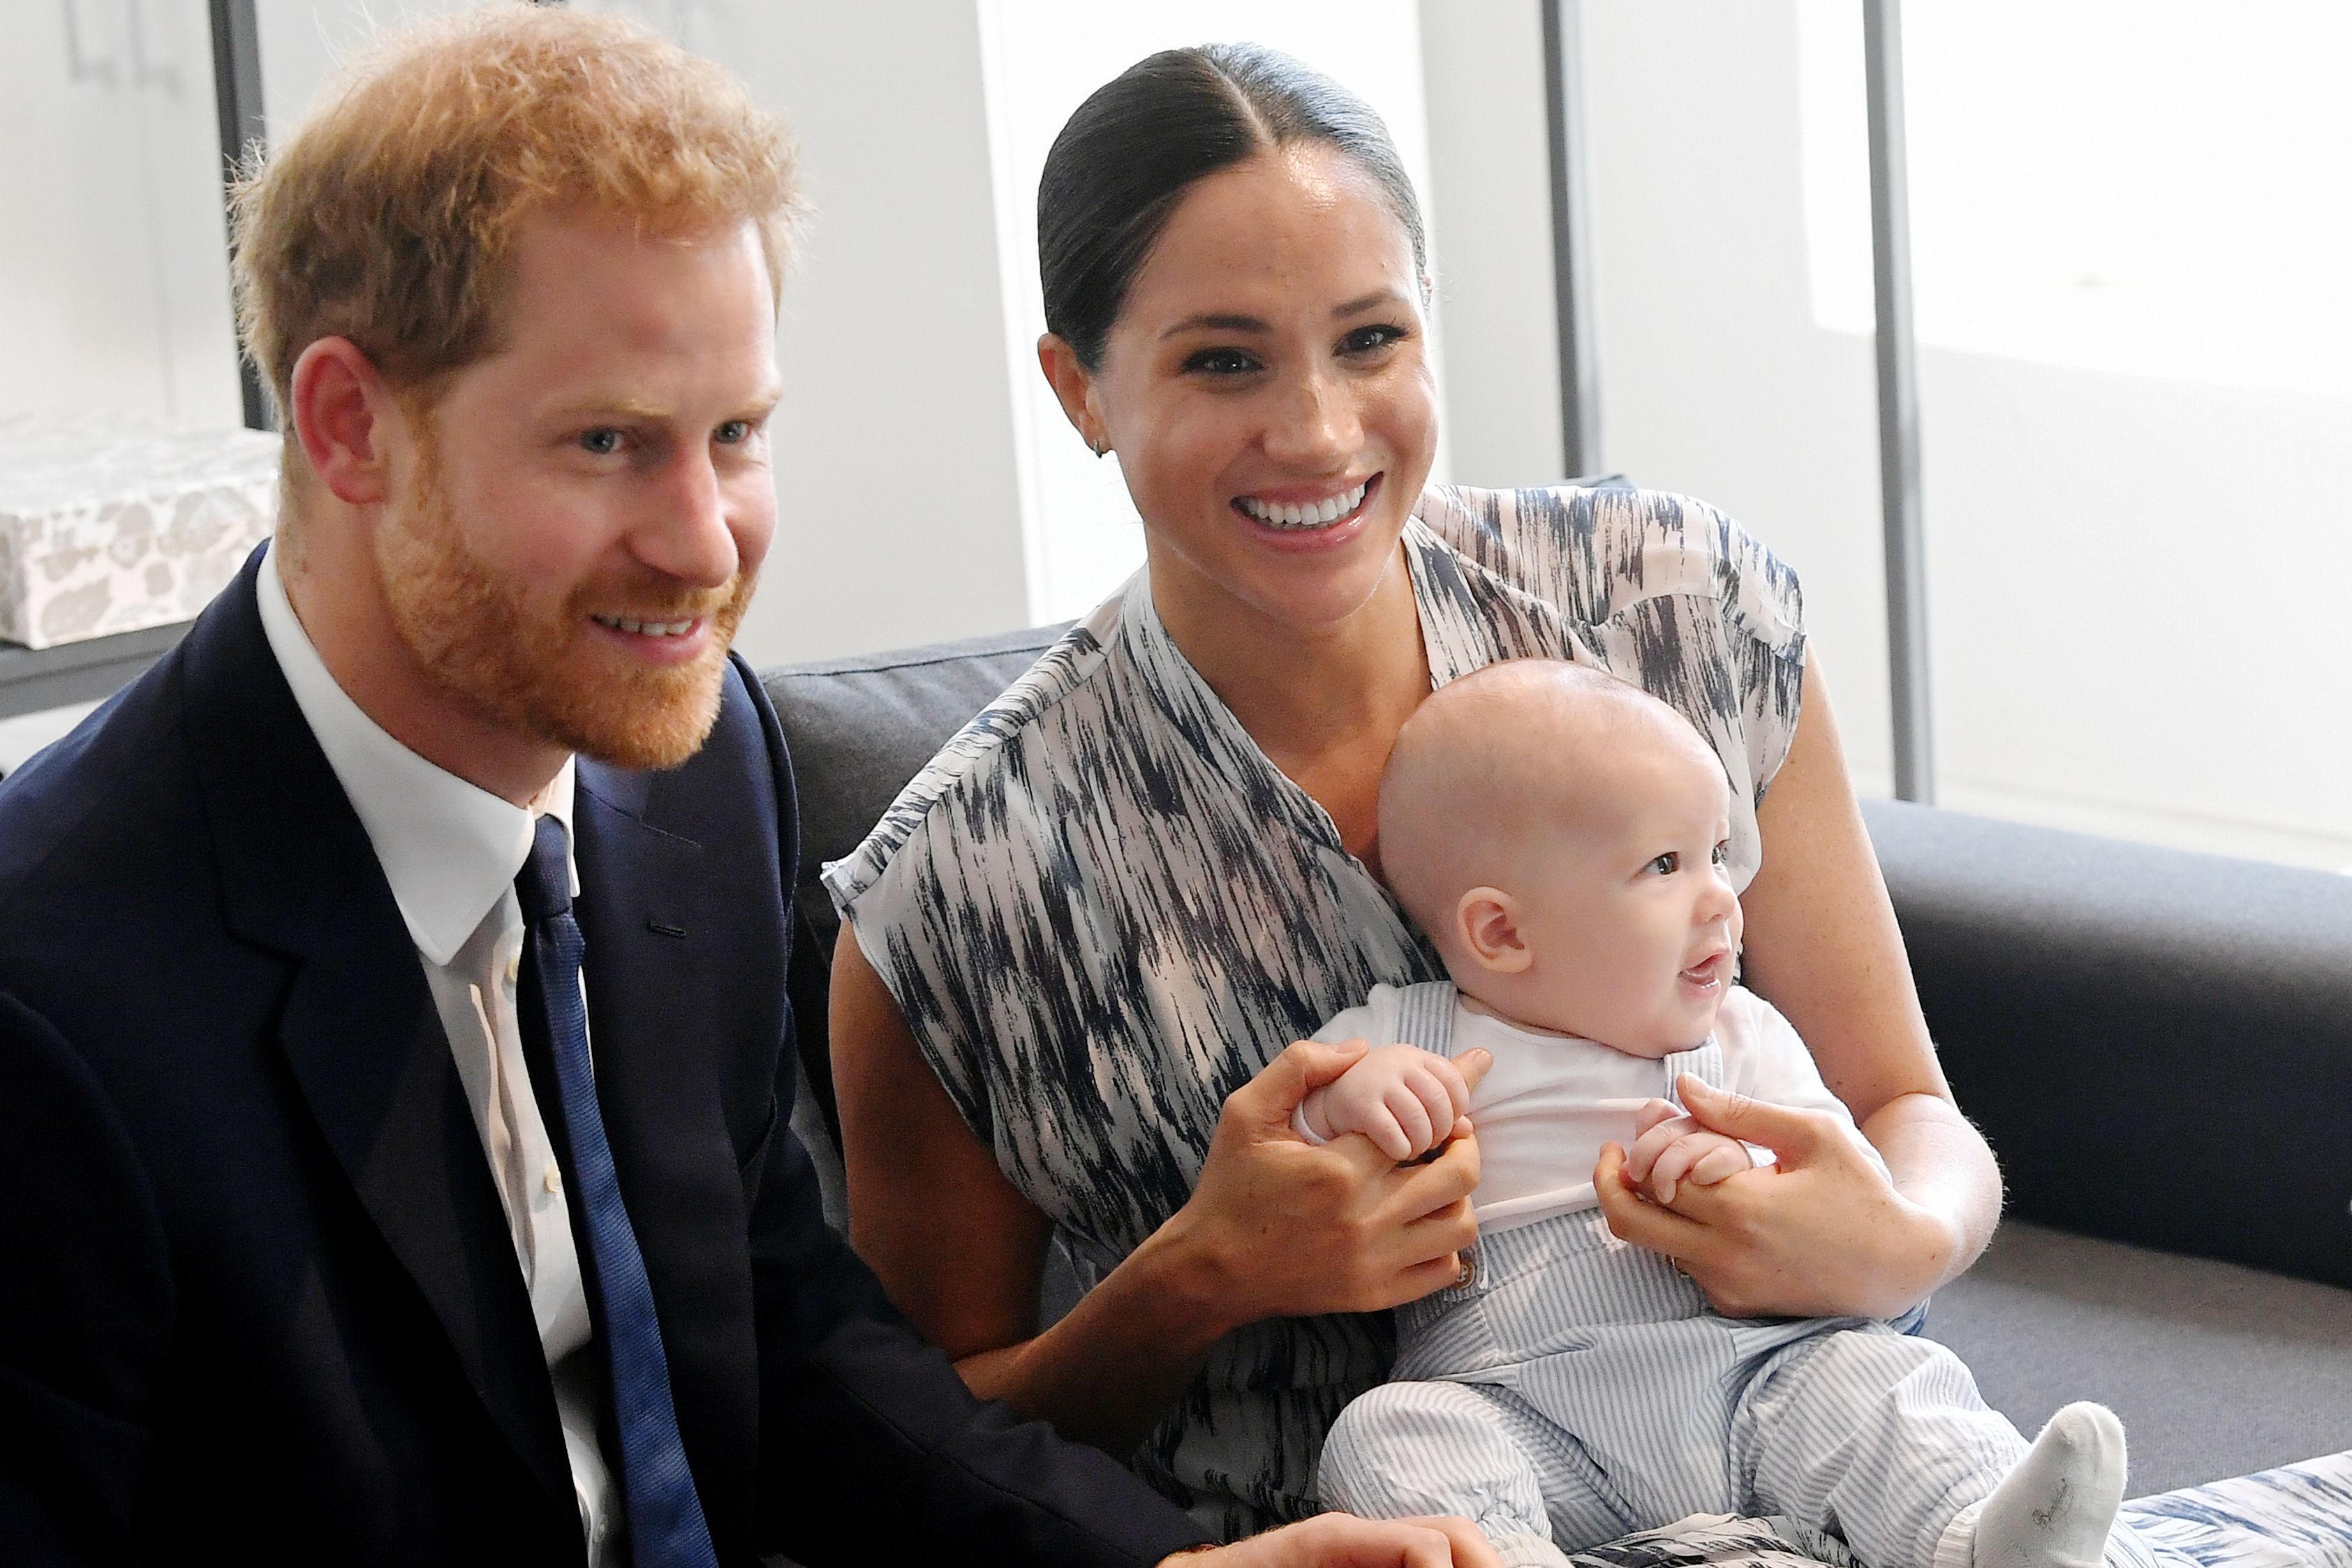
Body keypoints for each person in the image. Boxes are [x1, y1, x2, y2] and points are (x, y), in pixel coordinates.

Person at [0, 12, 1500, 1567]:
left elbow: (785, 1345)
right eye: (607, 443)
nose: (706, 546)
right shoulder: (51, 997)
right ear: (345, 424)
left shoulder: (694, 774)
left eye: (734, 435)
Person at [827, 42, 2005, 1544]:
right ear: (1079, 388)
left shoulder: (1674, 608)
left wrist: (1893, 1236)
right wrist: (1201, 1273)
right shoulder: (958, 893)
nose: (1317, 431)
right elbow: (910, 1456)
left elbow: (1909, 1106)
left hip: (1815, 1481)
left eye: (1369, 339)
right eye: (1221, 359)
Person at [1294, 660, 2157, 1568]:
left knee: (1885, 1386)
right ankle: (1503, 1553)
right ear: (1501, 933)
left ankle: (1982, 1538)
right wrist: (1356, 1098)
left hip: (1760, 1383)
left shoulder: (1743, 1038)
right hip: (1522, 1410)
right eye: (1663, 864)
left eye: (1716, 853)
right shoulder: (1408, 1037)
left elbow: (1836, 1188)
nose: (1719, 896)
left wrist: (1742, 1177)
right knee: (1385, 1432)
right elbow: (1287, 1136)